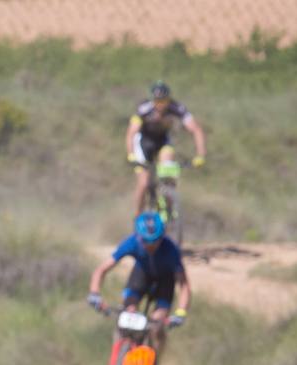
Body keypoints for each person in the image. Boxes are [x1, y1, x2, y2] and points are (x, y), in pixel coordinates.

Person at [88, 212, 193, 335]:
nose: (150, 245)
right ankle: (122, 347)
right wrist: (94, 293)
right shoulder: (131, 242)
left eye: (155, 241)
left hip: (165, 280)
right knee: (127, 315)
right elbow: (101, 269)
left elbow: (184, 284)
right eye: (146, 241)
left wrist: (180, 312)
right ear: (138, 236)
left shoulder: (171, 249)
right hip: (142, 274)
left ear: (162, 236)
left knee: (157, 323)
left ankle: (155, 348)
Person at [125, 81, 207, 215]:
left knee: (168, 172)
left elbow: (196, 130)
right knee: (144, 183)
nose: (160, 104)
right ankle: (137, 217)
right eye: (157, 101)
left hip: (162, 142)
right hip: (143, 143)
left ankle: (168, 205)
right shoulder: (144, 109)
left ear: (169, 99)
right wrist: (130, 154)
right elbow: (131, 133)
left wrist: (200, 155)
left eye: (164, 101)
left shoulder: (177, 108)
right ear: (153, 99)